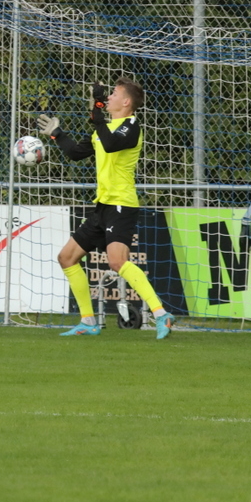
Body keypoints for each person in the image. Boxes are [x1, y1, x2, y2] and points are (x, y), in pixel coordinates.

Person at [37, 77, 174, 340]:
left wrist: (97, 112)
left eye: (114, 94)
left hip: (122, 204)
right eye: (108, 94)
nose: (108, 97)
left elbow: (111, 144)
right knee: (67, 258)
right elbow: (76, 153)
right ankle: (88, 321)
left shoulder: (131, 126)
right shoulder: (105, 130)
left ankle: (161, 314)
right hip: (102, 206)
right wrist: (57, 134)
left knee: (117, 261)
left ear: (126, 102)